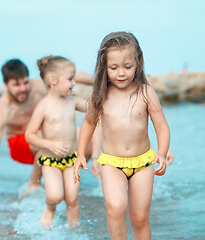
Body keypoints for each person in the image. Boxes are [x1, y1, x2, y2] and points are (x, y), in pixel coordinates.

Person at [73, 32, 171, 239]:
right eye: (113, 68)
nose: (121, 73)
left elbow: (161, 127)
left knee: (140, 217)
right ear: (104, 66)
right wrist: (81, 154)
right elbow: (88, 124)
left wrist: (161, 153)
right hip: (111, 163)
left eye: (128, 67)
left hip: (143, 163)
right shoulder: (100, 96)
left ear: (138, 63)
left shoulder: (146, 93)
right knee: (115, 207)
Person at [0, 59, 95, 202]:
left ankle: (66, 178)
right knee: (45, 137)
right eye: (16, 85)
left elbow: (70, 75)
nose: (23, 88)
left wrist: (100, 80)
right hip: (19, 143)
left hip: (44, 135)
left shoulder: (38, 86)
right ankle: (33, 185)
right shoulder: (4, 110)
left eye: (25, 82)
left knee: (87, 138)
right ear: (6, 85)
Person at [25, 55, 90, 227]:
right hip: (50, 161)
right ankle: (50, 207)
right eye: (70, 79)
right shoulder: (43, 106)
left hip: (71, 160)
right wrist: (49, 144)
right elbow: (29, 135)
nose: (74, 83)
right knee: (55, 195)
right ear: (53, 80)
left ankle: (73, 229)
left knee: (72, 198)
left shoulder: (72, 102)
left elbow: (94, 108)